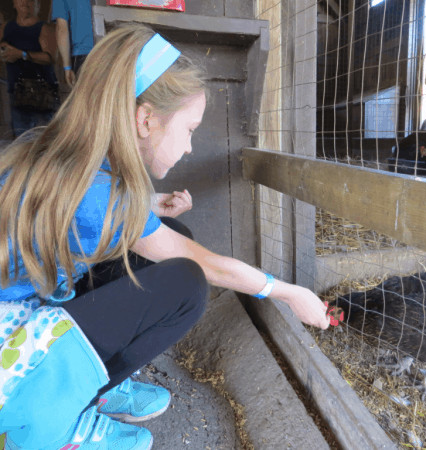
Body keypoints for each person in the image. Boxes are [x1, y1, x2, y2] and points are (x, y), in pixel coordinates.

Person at [0, 22, 329, 450]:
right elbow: (206, 265)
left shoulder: (57, 152)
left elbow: (91, 213)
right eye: (190, 129)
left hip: (21, 307)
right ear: (145, 118)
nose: (191, 146)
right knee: (186, 283)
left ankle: (86, 385)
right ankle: (50, 420)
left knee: (169, 236)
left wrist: (152, 206)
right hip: (11, 356)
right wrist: (287, 292)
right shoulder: (102, 197)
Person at [0, 0, 58, 137]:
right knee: (23, 140)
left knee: (48, 139)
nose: (25, 3)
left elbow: (51, 58)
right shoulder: (6, 27)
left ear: (36, 4)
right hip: (17, 93)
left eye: (30, 0)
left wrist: (22, 54)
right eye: (21, 0)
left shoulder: (45, 28)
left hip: (43, 92)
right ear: (14, 3)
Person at [52, 0, 93, 87]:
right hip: (118, 47)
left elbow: (61, 28)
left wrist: (67, 67)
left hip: (84, 56)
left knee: (88, 98)